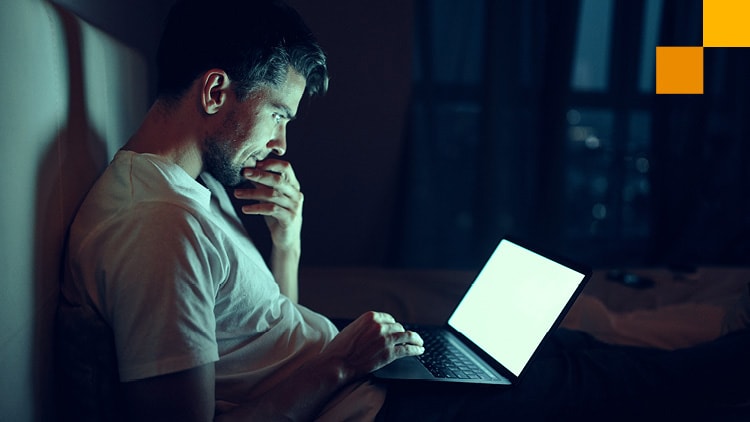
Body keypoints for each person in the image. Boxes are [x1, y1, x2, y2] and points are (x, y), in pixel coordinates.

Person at [59, 0, 750, 420]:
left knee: (569, 350)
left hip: (366, 373)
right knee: (620, 382)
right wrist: (339, 364)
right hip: (373, 402)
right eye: (278, 115)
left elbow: (263, 334)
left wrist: (287, 244)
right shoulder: (158, 227)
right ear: (216, 90)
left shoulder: (187, 193)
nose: (281, 142)